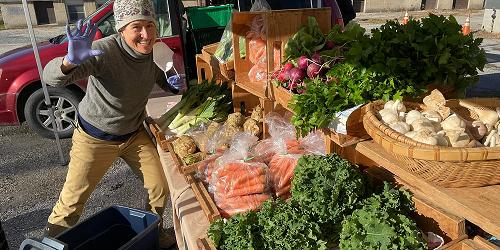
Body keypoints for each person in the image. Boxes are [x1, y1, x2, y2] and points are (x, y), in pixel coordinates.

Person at [42, 0, 184, 248]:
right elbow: (51, 78)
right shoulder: (104, 51)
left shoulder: (153, 50)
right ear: (121, 30)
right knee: (72, 202)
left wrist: (173, 84)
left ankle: (153, 233)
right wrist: (69, 62)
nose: (146, 35)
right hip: (94, 139)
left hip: (134, 135)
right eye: (136, 27)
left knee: (160, 186)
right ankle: (49, 244)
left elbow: (155, 72)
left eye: (150, 26)